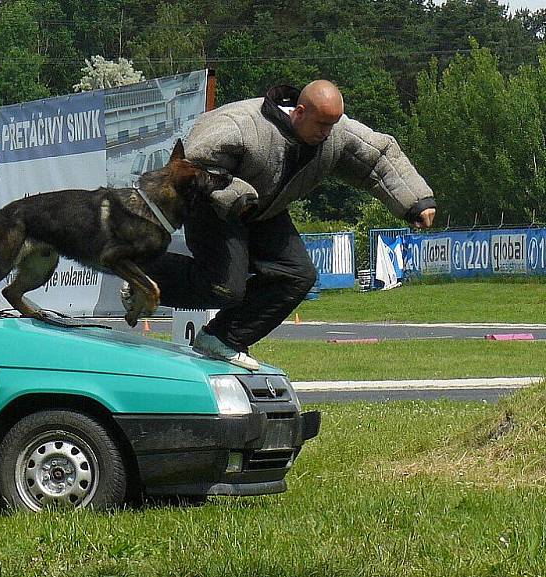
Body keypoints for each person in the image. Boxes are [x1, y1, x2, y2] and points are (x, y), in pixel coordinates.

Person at [125, 80, 436, 370]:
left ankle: (222, 339)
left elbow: (378, 157)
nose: (328, 133)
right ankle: (143, 274)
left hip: (263, 209)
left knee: (297, 275)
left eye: (333, 125)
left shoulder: (335, 132)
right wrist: (234, 194)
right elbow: (192, 165)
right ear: (299, 112)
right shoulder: (242, 124)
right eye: (322, 125)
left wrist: (416, 201)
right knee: (225, 287)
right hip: (213, 206)